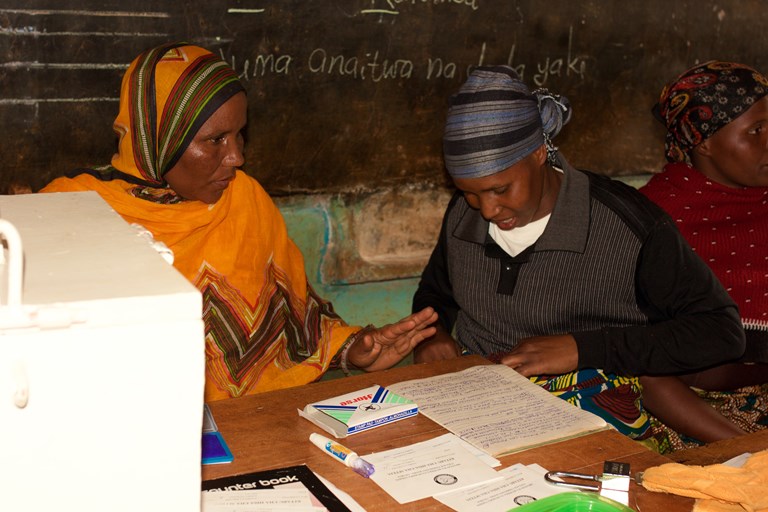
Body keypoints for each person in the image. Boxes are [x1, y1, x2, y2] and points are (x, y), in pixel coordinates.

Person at [40, 42, 437, 401]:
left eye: (239, 135)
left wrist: (353, 349)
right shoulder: (69, 217)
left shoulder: (244, 198)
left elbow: (297, 324)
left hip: (256, 421)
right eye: (215, 140)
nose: (236, 157)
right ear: (158, 139)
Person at [411, 65, 746, 449]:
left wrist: (582, 348)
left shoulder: (628, 224)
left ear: (539, 153)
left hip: (597, 407)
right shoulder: (461, 214)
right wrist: (432, 334)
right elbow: (436, 292)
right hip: (480, 403)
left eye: (500, 189)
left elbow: (721, 333)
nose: (486, 209)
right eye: (470, 192)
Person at [638, 60, 768, 448]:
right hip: (694, 417)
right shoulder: (651, 221)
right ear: (704, 142)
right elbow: (645, 373)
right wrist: (751, 452)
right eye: (756, 131)